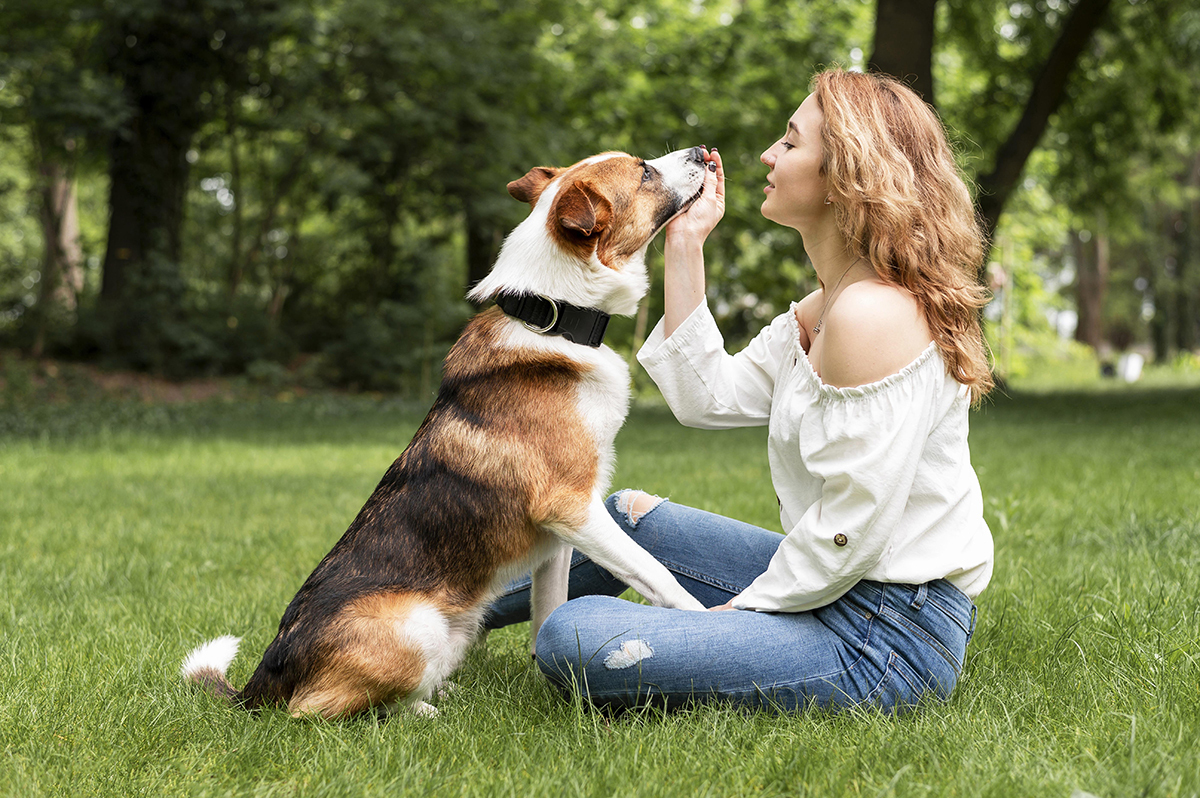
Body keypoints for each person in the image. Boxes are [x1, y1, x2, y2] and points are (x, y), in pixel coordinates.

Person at [486, 69, 995, 714]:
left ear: (845, 176)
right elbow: (710, 398)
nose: (767, 155)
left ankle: (447, 615)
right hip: (843, 589)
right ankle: (438, 604)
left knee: (573, 636)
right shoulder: (831, 303)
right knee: (623, 518)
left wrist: (738, 614)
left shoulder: (873, 316)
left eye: (790, 141)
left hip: (883, 637)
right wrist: (685, 241)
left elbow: (852, 529)